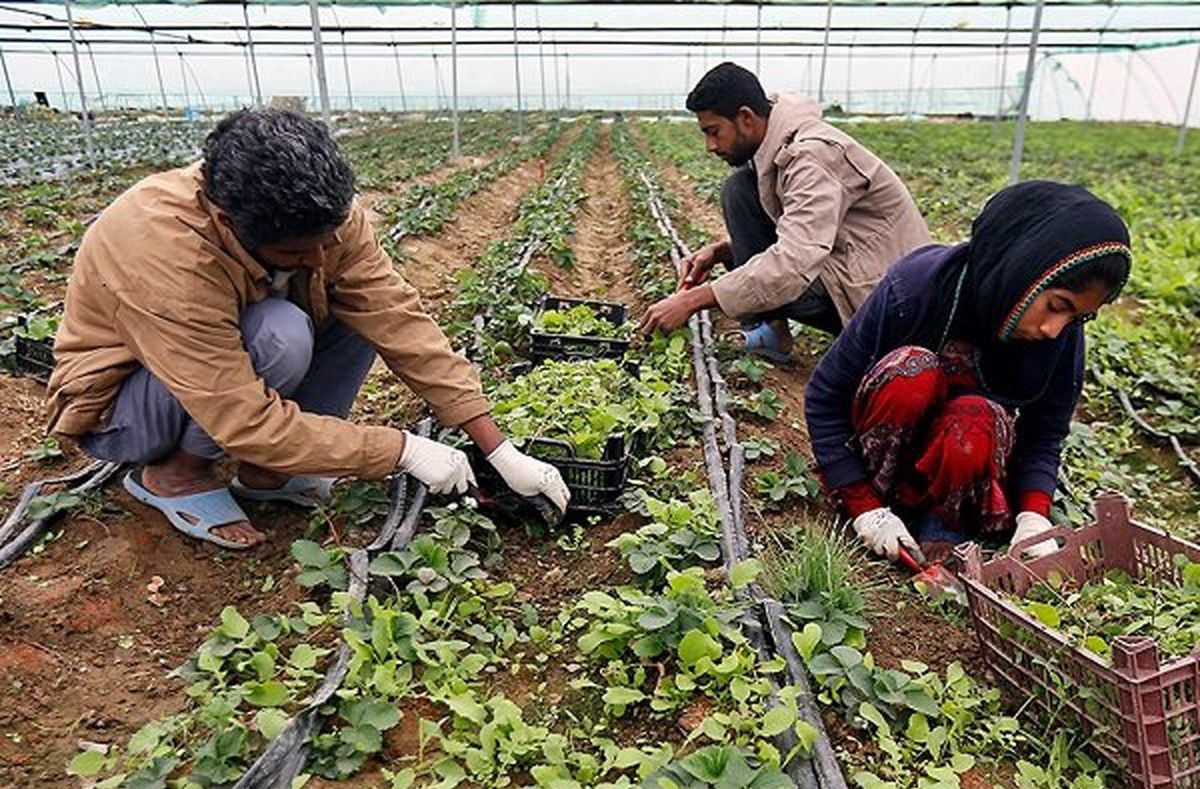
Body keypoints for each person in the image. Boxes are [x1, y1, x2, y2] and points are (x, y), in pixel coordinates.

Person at [45, 109, 570, 550]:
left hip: (225, 372)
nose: (319, 258)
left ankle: (268, 473)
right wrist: (402, 451)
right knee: (280, 330)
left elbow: (399, 319)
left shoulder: (323, 213)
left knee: (354, 310)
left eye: (327, 238)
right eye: (296, 252)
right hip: (128, 407)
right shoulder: (158, 249)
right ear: (230, 223)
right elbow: (241, 417)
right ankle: (176, 475)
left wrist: (499, 448)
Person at [804, 180, 1132, 564]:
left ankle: (944, 529)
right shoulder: (916, 288)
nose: (1054, 329)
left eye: (1078, 316)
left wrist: (1033, 515)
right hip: (885, 458)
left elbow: (1045, 430)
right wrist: (864, 506)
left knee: (977, 415)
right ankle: (883, 503)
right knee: (911, 372)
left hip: (961, 467)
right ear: (1021, 269)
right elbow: (825, 396)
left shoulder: (1061, 337)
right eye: (1057, 305)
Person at [640, 62, 930, 360]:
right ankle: (771, 331)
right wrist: (722, 252)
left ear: (746, 118)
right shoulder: (779, 142)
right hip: (858, 268)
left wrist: (691, 301)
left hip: (893, 304)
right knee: (739, 188)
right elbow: (806, 233)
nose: (710, 146)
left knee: (777, 269)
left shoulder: (812, 157)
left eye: (714, 131)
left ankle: (783, 331)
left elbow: (794, 264)